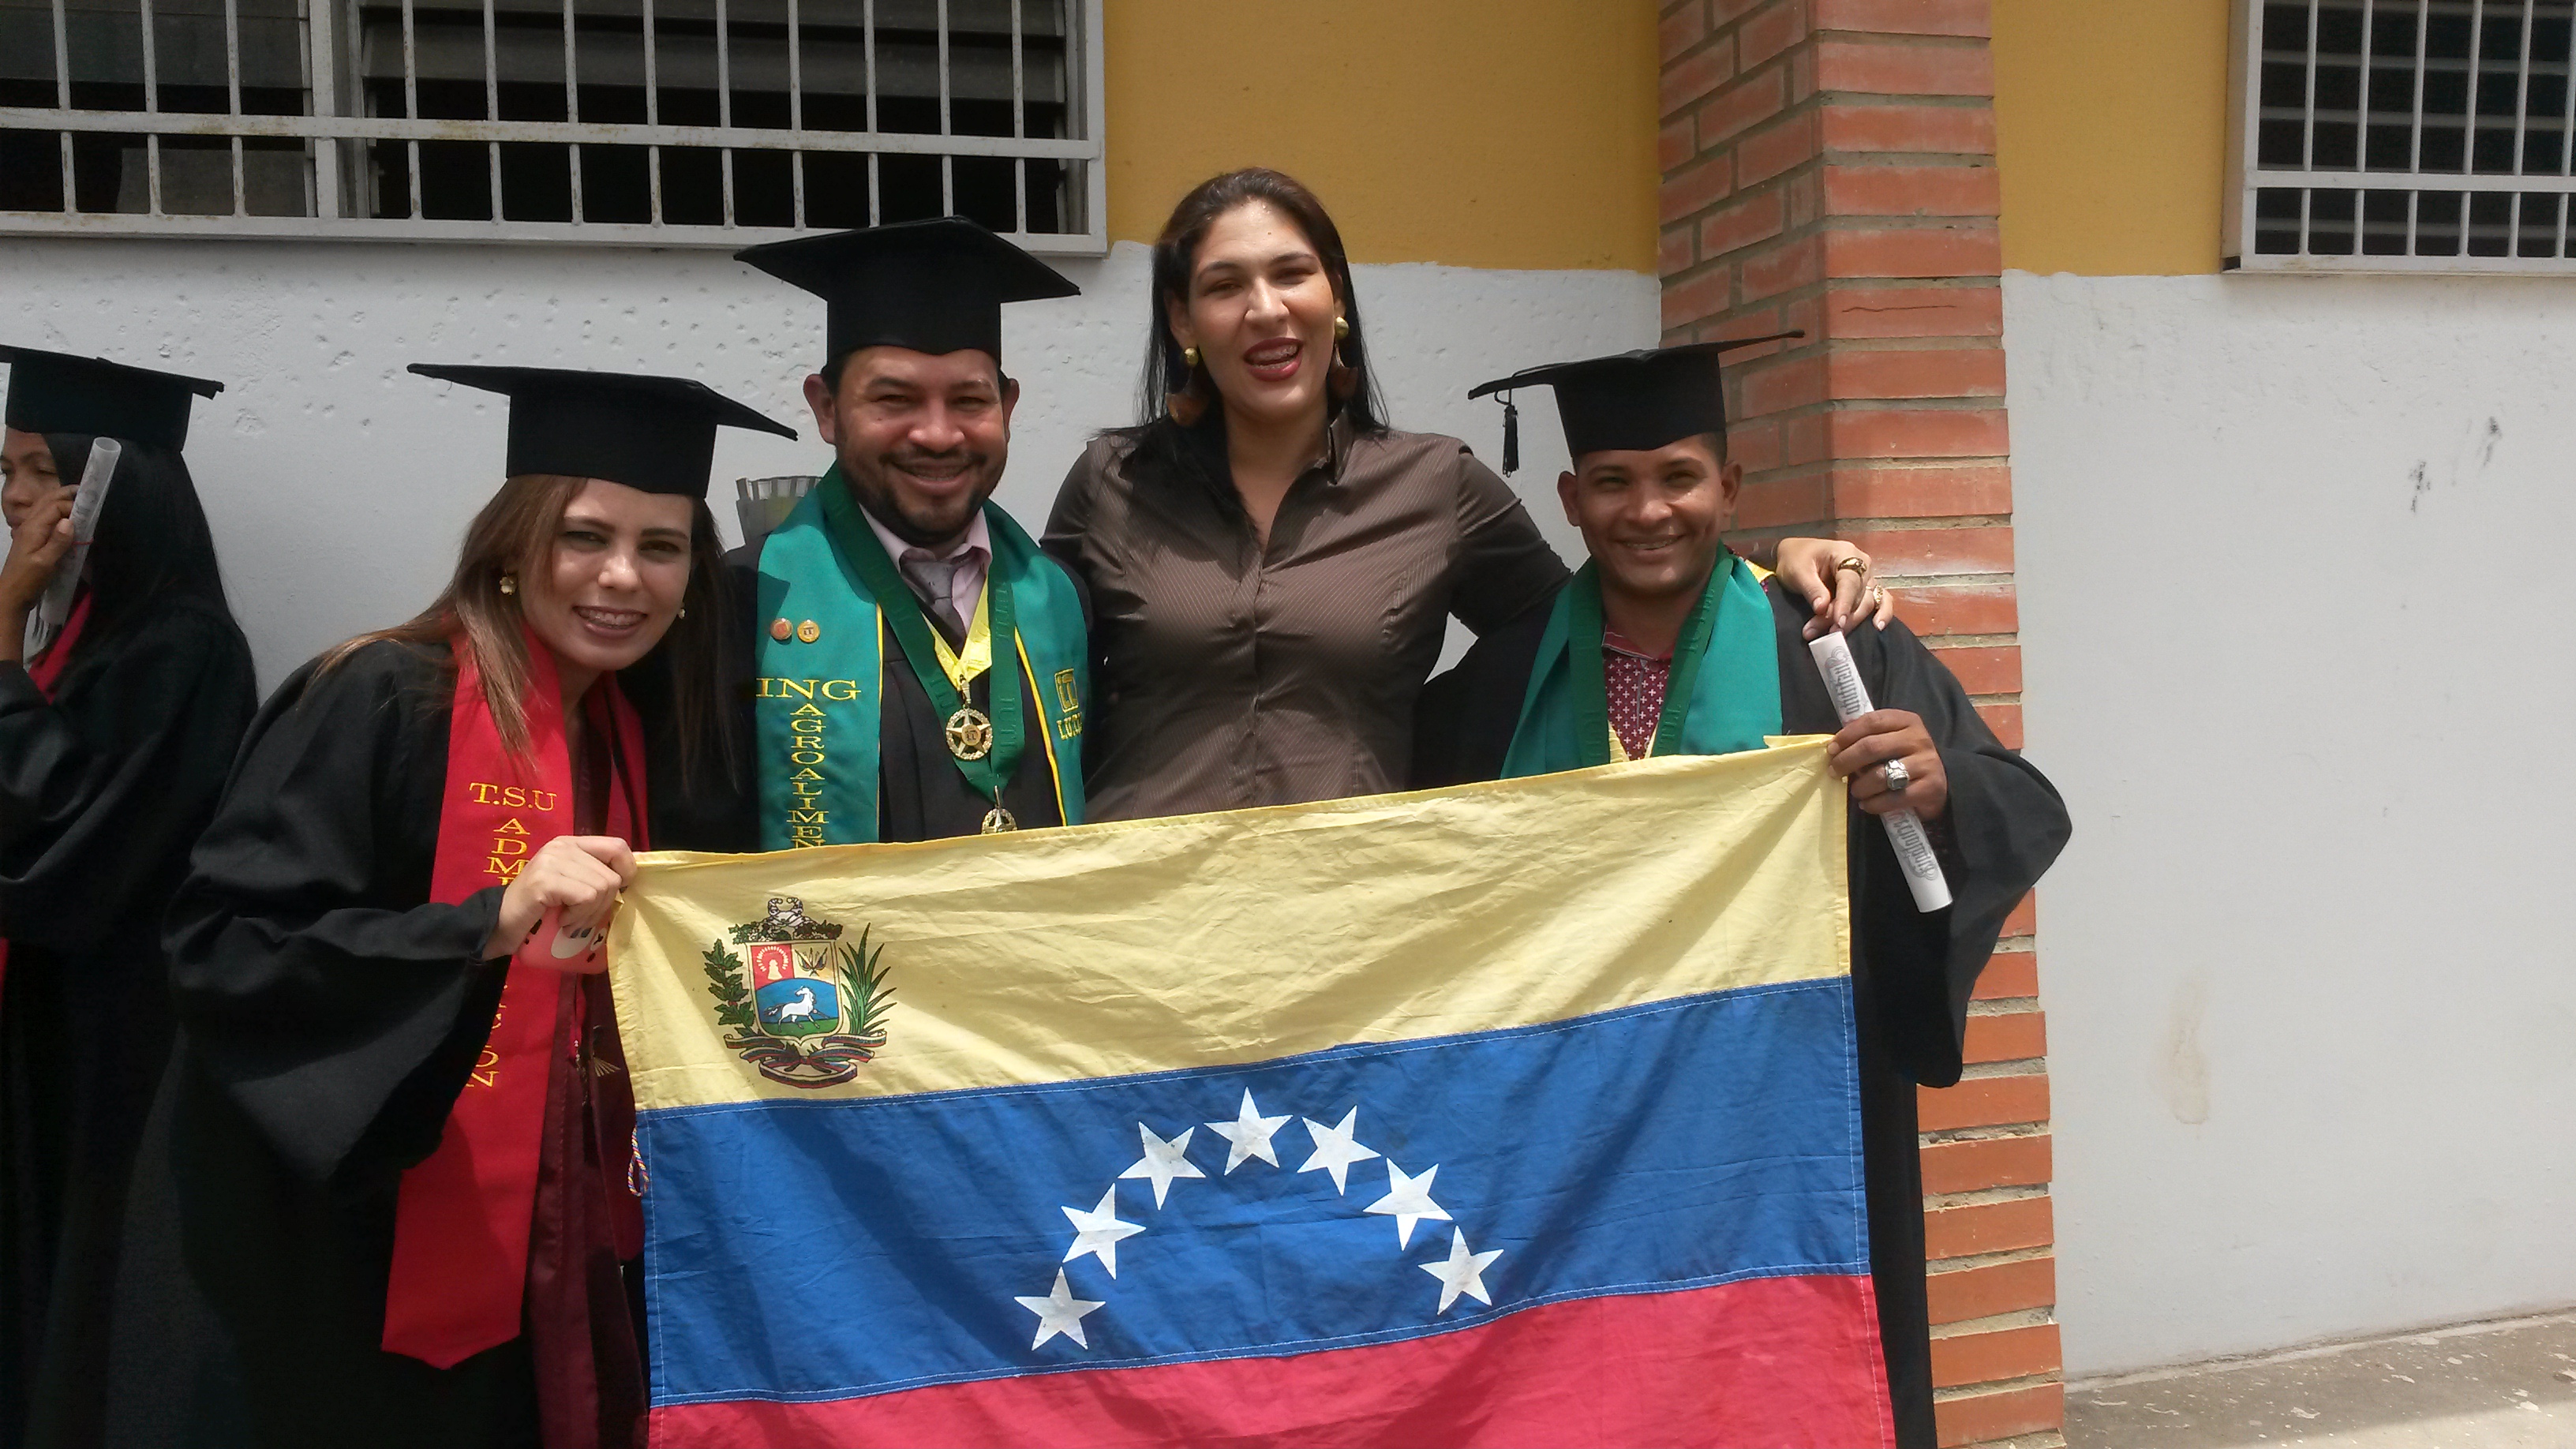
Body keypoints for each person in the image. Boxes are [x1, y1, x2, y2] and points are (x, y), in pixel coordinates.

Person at [104, 367, 794, 1448]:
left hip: (544, 1220)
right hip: (335, 1233)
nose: (623, 577)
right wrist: (483, 924)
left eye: (661, 548)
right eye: (586, 537)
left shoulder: (634, 732)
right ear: (512, 551)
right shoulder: (378, 694)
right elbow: (223, 949)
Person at [1410, 340, 2072, 1449]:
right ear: (1570, 498)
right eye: (1613, 482)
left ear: (1731, 487)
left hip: (1793, 1115)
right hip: (1570, 1135)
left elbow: (2023, 803)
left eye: (1679, 476)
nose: (1648, 509)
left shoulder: (1832, 648)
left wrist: (1940, 785)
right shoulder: (1504, 678)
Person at [1042, 167, 1889, 822]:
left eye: (1292, 274)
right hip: (1141, 917)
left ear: (1334, 296)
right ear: (1184, 321)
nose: (1266, 310)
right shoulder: (1113, 485)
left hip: (1355, 920)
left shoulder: (1434, 484)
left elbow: (1597, 618)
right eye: (1225, 286)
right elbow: (1016, 646)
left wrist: (1773, 563)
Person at [0, 346, 257, 1449]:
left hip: (115, 1039)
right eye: (3, 474)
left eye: (31, 472)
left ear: (103, 487)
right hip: (45, 1029)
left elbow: (54, 860)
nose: (11, 500)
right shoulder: (82, 637)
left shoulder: (184, 651)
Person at [722, 217, 1091, 847]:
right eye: (894, 401)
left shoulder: (1062, 599)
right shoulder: (744, 601)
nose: (938, 435)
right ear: (827, 408)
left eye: (970, 402)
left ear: (1008, 408)